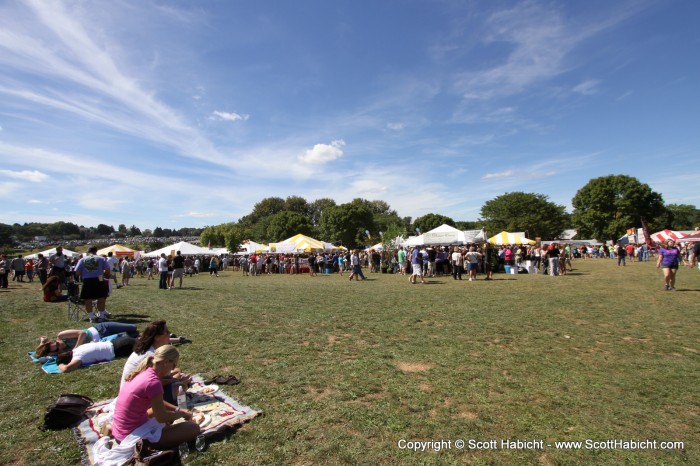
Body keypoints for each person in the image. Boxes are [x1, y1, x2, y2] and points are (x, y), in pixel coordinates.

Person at [112, 345, 200, 449]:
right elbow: (161, 417)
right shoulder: (153, 382)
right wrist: (180, 414)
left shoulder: (143, 373)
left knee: (160, 415)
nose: (173, 369)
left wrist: (177, 409)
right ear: (166, 362)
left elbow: (158, 403)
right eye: (173, 365)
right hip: (131, 437)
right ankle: (148, 444)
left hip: (120, 431)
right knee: (193, 428)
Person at [35, 322, 140, 357]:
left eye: (57, 344)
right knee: (134, 335)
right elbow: (41, 357)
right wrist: (42, 344)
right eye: (57, 349)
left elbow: (82, 333)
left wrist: (76, 348)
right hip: (105, 339)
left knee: (133, 327)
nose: (59, 346)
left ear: (52, 341)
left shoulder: (62, 336)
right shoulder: (62, 353)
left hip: (101, 328)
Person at [57, 336, 137, 373]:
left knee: (147, 345)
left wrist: (60, 364)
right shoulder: (77, 349)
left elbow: (66, 369)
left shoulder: (78, 357)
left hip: (120, 348)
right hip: (118, 341)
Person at [74, 246, 111, 322]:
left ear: (88, 251)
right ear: (96, 251)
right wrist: (103, 273)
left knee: (88, 299)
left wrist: (85, 273)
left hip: (87, 280)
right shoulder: (101, 258)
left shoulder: (82, 259)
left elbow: (77, 272)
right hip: (99, 279)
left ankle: (91, 317)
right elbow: (107, 270)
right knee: (101, 298)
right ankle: (101, 316)